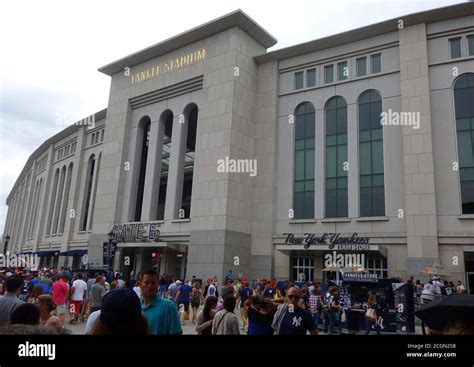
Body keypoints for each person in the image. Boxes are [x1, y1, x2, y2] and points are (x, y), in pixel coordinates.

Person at [140, 270, 182, 335]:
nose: (150, 286)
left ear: (158, 285)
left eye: (153, 283)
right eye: (146, 283)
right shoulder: (135, 306)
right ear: (140, 285)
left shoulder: (169, 306)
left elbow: (176, 332)